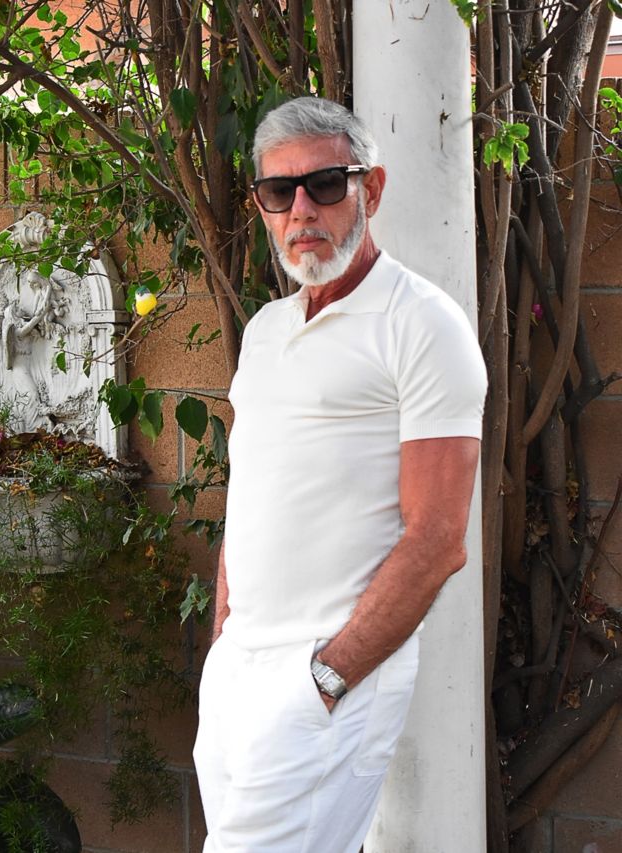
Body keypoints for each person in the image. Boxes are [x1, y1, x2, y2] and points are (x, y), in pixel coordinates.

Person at [193, 97, 487, 853]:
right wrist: (223, 641)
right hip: (236, 677)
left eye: (325, 184)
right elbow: (251, 494)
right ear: (261, 205)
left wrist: (326, 679)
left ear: (371, 189)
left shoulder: (423, 326)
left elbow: (438, 539)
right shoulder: (266, 330)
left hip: (323, 682)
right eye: (278, 190)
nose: (302, 209)